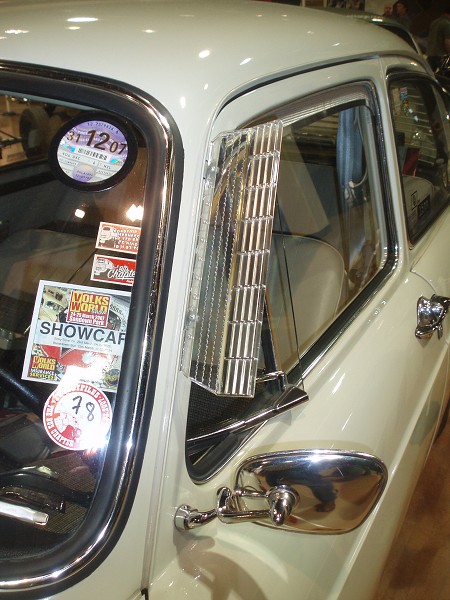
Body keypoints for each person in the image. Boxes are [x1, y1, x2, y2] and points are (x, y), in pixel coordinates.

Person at [427, 5, 450, 72]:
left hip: (431, 53)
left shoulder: (434, 22)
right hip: (441, 55)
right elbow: (447, 42)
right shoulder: (447, 24)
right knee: (444, 74)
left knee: (430, 73)